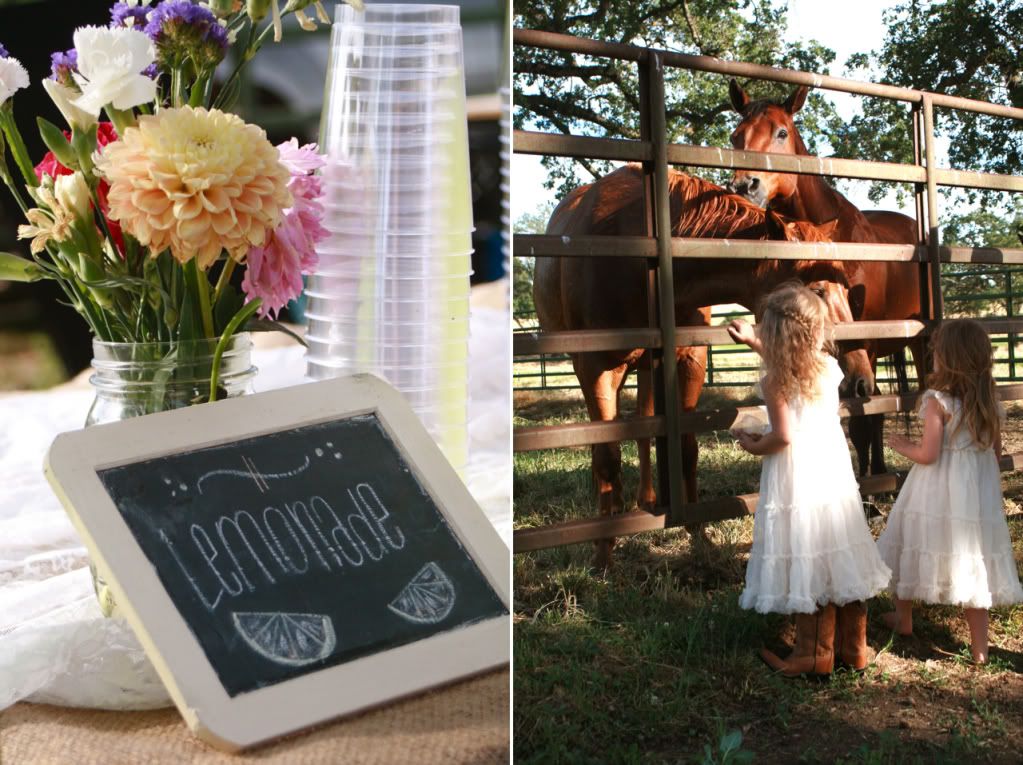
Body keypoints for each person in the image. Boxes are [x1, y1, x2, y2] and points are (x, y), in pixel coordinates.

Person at [728, 282, 890, 677]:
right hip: (832, 474)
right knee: (836, 552)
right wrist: (754, 343)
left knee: (807, 553)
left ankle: (811, 653)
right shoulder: (828, 368)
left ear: (775, 336)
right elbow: (798, 364)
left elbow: (783, 436)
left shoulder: (774, 382)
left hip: (797, 475)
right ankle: (854, 649)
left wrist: (753, 443)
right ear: (815, 332)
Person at [877, 319, 1023, 663]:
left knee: (911, 538)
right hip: (975, 499)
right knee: (976, 559)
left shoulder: (936, 401)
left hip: (933, 491)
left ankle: (904, 617)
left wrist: (902, 446)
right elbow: (996, 453)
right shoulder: (990, 401)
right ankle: (980, 648)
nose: (934, 358)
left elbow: (928, 455)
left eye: (938, 352)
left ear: (949, 358)